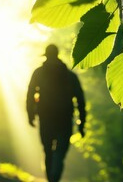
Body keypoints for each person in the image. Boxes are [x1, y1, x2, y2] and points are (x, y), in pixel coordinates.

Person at [26, 44, 86, 182]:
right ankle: (54, 179)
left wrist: (30, 114)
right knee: (60, 153)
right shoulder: (70, 75)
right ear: (58, 55)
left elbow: (30, 95)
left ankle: (51, 179)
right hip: (65, 118)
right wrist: (81, 124)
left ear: (46, 55)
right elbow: (80, 99)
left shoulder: (38, 73)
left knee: (48, 151)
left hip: (45, 117)